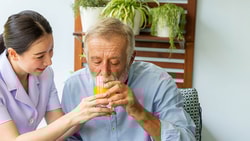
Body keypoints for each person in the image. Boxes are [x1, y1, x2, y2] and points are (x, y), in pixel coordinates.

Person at [61, 17, 196, 141]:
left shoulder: (159, 82)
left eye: (114, 62)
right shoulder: (73, 86)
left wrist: (139, 112)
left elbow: (187, 138)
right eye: (96, 62)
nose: (104, 71)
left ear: (131, 58)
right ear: (86, 57)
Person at [0, 10, 114, 141]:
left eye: (51, 50)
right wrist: (75, 115)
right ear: (13, 54)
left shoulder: (45, 74)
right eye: (40, 56)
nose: (49, 62)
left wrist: (88, 112)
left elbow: (58, 130)